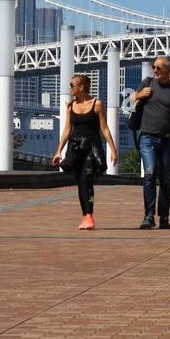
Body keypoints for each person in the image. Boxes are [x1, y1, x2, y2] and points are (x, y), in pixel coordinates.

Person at [52, 74, 118, 230]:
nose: (70, 88)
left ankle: (89, 216)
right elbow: (67, 130)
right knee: (80, 182)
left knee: (86, 179)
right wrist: (58, 151)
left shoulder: (96, 104)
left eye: (72, 85)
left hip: (91, 147)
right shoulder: (70, 106)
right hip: (75, 149)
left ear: (81, 87)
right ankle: (85, 215)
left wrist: (113, 149)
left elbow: (104, 128)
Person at [132, 56, 170, 229]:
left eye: (158, 68)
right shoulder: (148, 82)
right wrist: (139, 94)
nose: (155, 70)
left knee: (165, 178)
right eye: (153, 67)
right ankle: (148, 216)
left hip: (169, 138)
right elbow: (133, 98)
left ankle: (164, 216)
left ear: (169, 69)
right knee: (149, 173)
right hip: (147, 136)